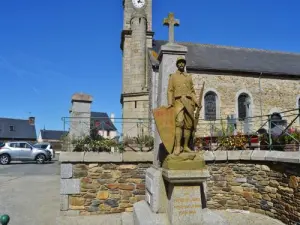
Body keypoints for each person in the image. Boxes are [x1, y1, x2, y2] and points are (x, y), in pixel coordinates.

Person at [167, 57, 199, 156]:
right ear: (177, 64)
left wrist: (197, 102)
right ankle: (177, 146)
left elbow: (192, 91)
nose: (181, 64)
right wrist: (170, 103)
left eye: (183, 63)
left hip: (189, 101)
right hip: (178, 101)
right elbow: (170, 90)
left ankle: (185, 146)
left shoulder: (188, 76)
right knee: (179, 123)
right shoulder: (173, 76)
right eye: (179, 63)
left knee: (189, 125)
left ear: (184, 64)